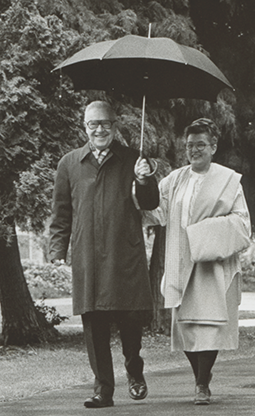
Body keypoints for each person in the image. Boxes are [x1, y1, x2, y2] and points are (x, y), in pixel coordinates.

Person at [49, 101, 159, 408]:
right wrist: (57, 249)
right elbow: (61, 213)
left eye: (105, 124)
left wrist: (143, 178)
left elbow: (150, 203)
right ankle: (103, 390)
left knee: (130, 321)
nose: (99, 130)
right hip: (88, 256)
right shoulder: (70, 163)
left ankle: (134, 371)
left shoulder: (133, 158)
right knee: (94, 324)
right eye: (93, 124)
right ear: (84, 127)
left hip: (125, 254)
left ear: (115, 126)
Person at [140, 118, 251, 405]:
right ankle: (199, 376)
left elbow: (242, 224)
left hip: (212, 264)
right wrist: (143, 181)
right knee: (186, 327)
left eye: (200, 145)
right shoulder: (174, 179)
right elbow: (155, 211)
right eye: (189, 146)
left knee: (209, 327)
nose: (194, 150)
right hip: (180, 261)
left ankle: (203, 382)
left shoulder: (228, 180)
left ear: (213, 147)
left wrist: (203, 235)